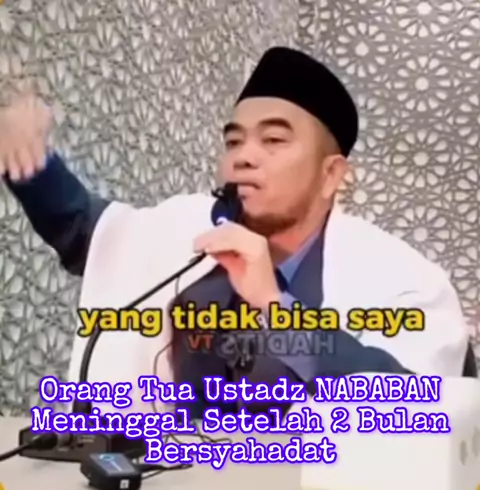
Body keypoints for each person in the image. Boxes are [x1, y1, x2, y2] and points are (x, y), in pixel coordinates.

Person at [0, 47, 471, 417]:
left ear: (331, 175)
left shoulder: (403, 280)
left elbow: (417, 407)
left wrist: (276, 309)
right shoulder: (188, 233)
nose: (244, 156)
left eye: (273, 139)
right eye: (233, 140)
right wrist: (28, 163)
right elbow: (89, 231)